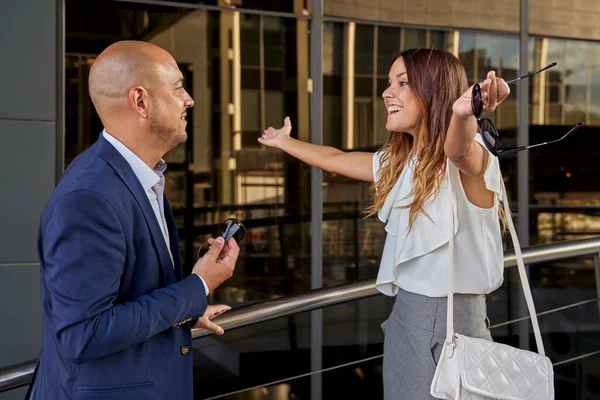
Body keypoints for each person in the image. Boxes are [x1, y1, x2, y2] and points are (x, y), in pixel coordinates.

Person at [258, 48, 510, 399]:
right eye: (389, 82)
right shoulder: (403, 161)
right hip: (407, 318)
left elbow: (458, 148)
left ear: (433, 91)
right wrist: (285, 142)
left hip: (449, 327)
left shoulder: (473, 155)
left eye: (402, 83)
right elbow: (335, 159)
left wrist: (463, 112)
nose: (386, 93)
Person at [28, 41, 239, 399]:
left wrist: (183, 312)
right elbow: (85, 334)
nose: (188, 99)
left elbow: (129, 296)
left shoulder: (138, 175)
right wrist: (197, 287)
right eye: (177, 88)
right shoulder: (89, 197)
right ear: (140, 101)